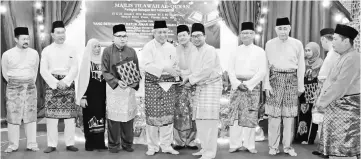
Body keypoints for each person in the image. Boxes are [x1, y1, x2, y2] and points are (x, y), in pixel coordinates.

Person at [314, 24, 360, 159]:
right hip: (336, 108)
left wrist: (321, 102)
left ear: (346, 41)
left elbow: (340, 86)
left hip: (347, 109)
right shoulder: (342, 56)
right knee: (336, 149)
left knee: (343, 150)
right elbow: (330, 81)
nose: (332, 42)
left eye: (335, 39)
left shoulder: (353, 58)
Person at [263, 17, 305, 157]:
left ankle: (288, 146)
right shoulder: (269, 44)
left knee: (289, 116)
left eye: (285, 28)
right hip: (274, 79)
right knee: (273, 116)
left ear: (290, 28)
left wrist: (300, 85)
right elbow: (265, 65)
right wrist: (266, 85)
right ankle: (273, 147)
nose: (282, 31)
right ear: (275, 29)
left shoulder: (297, 43)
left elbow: (301, 66)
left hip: (291, 80)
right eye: (280, 28)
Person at [182, 23, 223, 159]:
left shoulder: (210, 50)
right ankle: (205, 149)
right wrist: (186, 78)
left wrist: (189, 80)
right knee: (200, 119)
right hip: (200, 87)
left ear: (204, 36)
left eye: (199, 36)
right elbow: (192, 71)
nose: (196, 39)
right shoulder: (194, 52)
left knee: (209, 120)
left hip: (211, 87)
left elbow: (206, 71)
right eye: (193, 36)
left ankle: (210, 153)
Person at [227, 22, 267, 154]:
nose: (246, 35)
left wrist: (249, 84)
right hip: (237, 86)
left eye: (249, 33)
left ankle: (250, 145)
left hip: (252, 86)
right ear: (240, 35)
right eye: (244, 33)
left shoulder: (260, 51)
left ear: (254, 35)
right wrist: (238, 83)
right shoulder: (235, 50)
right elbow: (230, 70)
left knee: (250, 115)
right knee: (236, 115)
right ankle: (235, 144)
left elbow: (262, 71)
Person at [141, 20, 180, 156]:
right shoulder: (148, 47)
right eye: (159, 32)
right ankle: (152, 146)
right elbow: (145, 65)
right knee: (152, 117)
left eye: (165, 32)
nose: (162, 35)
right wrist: (163, 68)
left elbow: (175, 65)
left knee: (168, 116)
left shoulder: (172, 47)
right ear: (154, 33)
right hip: (153, 84)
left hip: (169, 85)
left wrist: (175, 71)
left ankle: (166, 145)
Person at [40, 21, 79, 153]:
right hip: (52, 85)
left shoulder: (72, 49)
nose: (61, 35)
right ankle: (51, 144)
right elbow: (43, 71)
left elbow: (75, 68)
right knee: (51, 117)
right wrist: (55, 83)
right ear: (52, 34)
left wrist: (66, 81)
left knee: (70, 117)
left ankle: (70, 143)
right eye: (58, 33)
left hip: (68, 83)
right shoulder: (47, 50)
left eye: (63, 32)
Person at [101, 24, 140, 153]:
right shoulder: (107, 51)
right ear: (113, 37)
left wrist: (132, 82)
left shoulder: (131, 51)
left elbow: (136, 70)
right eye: (119, 36)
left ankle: (127, 144)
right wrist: (117, 81)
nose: (123, 39)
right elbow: (104, 71)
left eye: (124, 36)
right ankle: (113, 145)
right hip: (114, 89)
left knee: (128, 119)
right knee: (114, 120)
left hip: (128, 90)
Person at [2, 27, 39, 153]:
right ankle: (13, 145)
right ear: (15, 39)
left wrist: (28, 81)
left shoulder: (34, 53)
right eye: (23, 39)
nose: (26, 41)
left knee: (30, 115)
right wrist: (16, 83)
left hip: (30, 86)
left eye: (27, 38)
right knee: (13, 117)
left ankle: (32, 144)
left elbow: (35, 70)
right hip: (13, 87)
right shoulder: (7, 54)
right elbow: (5, 73)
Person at [76, 38, 107, 151]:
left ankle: (100, 143)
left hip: (101, 96)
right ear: (89, 48)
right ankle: (90, 143)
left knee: (101, 118)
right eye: (95, 46)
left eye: (99, 46)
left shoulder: (104, 61)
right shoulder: (86, 61)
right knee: (90, 118)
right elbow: (83, 81)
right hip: (90, 96)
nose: (97, 49)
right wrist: (82, 97)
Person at [312, 28, 338, 159]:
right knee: (322, 119)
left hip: (327, 87)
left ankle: (327, 148)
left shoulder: (334, 53)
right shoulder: (331, 53)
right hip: (324, 87)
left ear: (324, 39)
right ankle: (323, 147)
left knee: (325, 118)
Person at [172, 24, 198, 150]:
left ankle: (191, 140)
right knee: (179, 112)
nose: (182, 37)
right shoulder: (175, 49)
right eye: (179, 35)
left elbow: (199, 68)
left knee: (193, 112)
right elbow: (174, 66)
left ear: (189, 35)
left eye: (184, 35)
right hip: (179, 85)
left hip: (193, 85)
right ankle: (179, 141)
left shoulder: (196, 48)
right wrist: (180, 76)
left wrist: (190, 79)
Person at [294, 42, 323, 145]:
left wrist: (318, 94)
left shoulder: (321, 63)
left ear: (315, 51)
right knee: (303, 115)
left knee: (313, 116)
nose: (307, 52)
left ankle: (310, 139)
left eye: (309, 50)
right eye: (306, 50)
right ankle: (301, 137)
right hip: (303, 91)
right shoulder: (302, 62)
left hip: (314, 92)